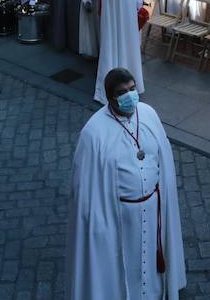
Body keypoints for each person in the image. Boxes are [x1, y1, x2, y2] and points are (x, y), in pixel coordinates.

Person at [66, 67, 186, 300]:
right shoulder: (94, 132)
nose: (131, 96)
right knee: (123, 265)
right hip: (118, 217)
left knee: (150, 263)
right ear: (111, 98)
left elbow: (163, 159)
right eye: (124, 92)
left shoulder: (148, 114)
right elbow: (85, 189)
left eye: (133, 89)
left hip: (152, 211)